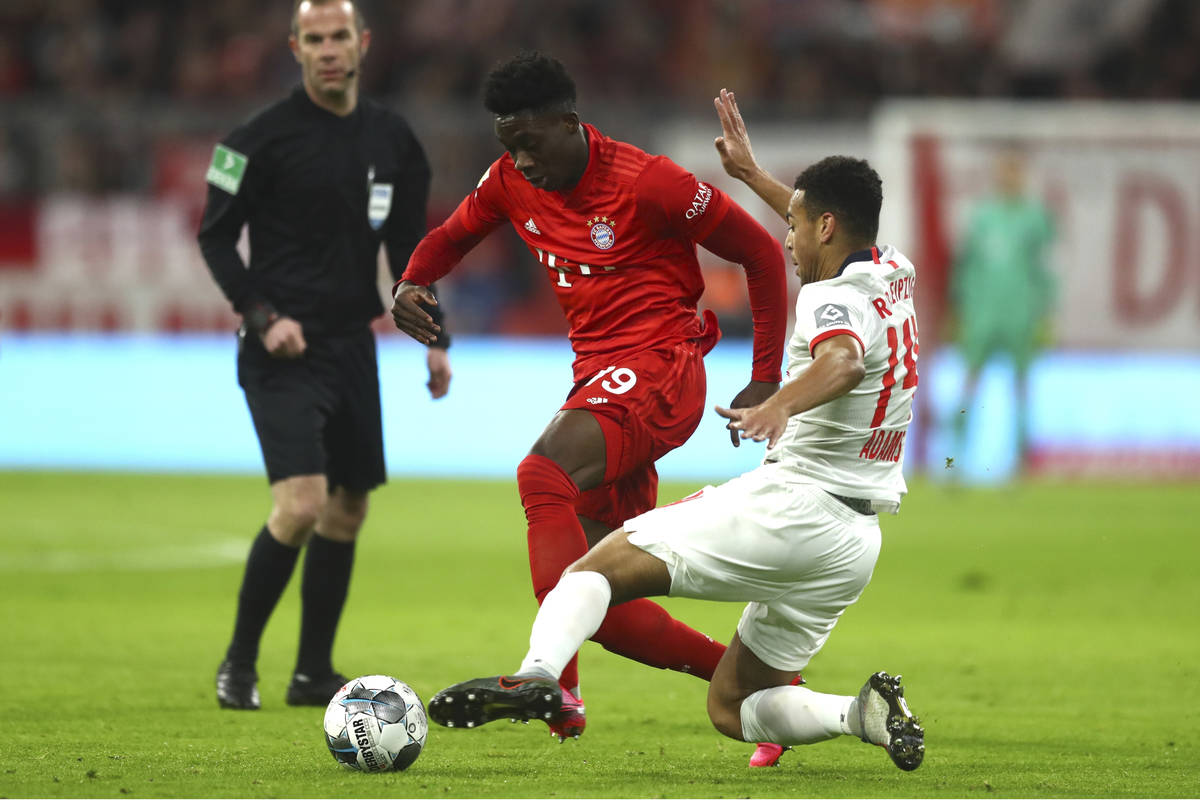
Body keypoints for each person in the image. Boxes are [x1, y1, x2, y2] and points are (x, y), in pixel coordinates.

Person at [425, 91, 926, 774]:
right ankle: (858, 713)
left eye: (798, 226)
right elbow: (816, 228)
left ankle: (544, 675)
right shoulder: (894, 272)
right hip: (854, 543)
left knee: (589, 570)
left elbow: (840, 360)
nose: (787, 238)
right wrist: (750, 176)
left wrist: (780, 401)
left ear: (828, 226)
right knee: (734, 705)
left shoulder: (829, 298)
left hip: (794, 506)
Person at [391, 53, 789, 743]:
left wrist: (765, 373)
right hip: (600, 380)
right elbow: (451, 238)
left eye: (532, 142)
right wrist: (410, 283)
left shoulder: (650, 182)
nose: (522, 159)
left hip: (662, 367)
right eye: (507, 145)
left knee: (540, 472)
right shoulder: (510, 181)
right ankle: (759, 681)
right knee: (596, 585)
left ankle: (549, 680)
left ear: (570, 124)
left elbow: (759, 250)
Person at [196, 0, 451, 711]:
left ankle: (312, 673)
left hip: (350, 346)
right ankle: (238, 665)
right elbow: (214, 237)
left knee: (347, 511)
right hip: (279, 347)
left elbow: (409, 251)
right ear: (296, 48)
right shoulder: (255, 140)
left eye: (340, 36)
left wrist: (436, 339)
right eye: (315, 39)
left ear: (363, 44)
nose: (329, 49)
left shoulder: (394, 140)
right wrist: (261, 314)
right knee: (302, 504)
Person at [950, 145, 1055, 472]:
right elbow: (966, 266)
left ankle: (1022, 460)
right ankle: (954, 456)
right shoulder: (982, 216)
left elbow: (1046, 269)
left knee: (1021, 384)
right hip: (982, 312)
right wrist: (959, 309)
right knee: (969, 382)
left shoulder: (1036, 218)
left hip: (1020, 312)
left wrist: (1047, 312)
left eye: (1015, 171)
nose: (1009, 177)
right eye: (1004, 170)